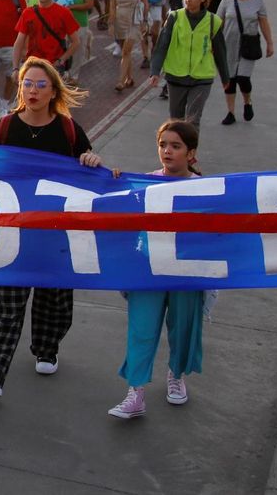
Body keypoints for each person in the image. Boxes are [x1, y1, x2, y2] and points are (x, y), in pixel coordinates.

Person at [0, 58, 107, 397]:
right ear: (20, 88)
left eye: (41, 84)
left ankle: (46, 347)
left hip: (56, 230)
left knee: (54, 297)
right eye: (28, 83)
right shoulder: (7, 126)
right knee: (8, 303)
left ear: (53, 90)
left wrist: (91, 160)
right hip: (15, 230)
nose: (34, 90)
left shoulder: (68, 128)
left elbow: (90, 168)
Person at [108, 119, 207, 419]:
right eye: (163, 144)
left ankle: (177, 375)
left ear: (191, 154)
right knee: (141, 328)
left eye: (176, 146)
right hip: (147, 269)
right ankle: (135, 392)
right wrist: (113, 181)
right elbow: (126, 218)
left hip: (186, 272)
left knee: (183, 326)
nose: (167, 151)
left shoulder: (204, 188)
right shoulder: (145, 183)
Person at [149, 0, 230, 128]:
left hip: (201, 78)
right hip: (176, 76)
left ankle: (191, 152)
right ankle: (179, 150)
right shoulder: (174, 17)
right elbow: (161, 46)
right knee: (176, 122)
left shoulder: (213, 21)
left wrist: (226, 78)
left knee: (193, 121)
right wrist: (155, 71)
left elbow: (220, 52)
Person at [216, 0, 273, 125]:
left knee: (243, 78)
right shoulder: (227, 0)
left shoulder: (257, 1)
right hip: (228, 45)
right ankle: (231, 112)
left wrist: (270, 43)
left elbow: (264, 23)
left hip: (248, 44)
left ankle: (247, 101)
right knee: (230, 80)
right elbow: (217, 22)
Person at [13, 0, 81, 75]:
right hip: (33, 66)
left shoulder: (64, 12)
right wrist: (15, 68)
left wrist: (61, 60)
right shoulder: (27, 13)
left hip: (54, 67)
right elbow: (18, 42)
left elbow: (76, 42)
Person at [109, 0, 148, 92]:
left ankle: (121, 81)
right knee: (126, 50)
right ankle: (130, 77)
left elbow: (145, 4)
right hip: (120, 19)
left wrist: (145, 21)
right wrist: (111, 24)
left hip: (134, 19)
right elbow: (113, 6)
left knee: (126, 51)